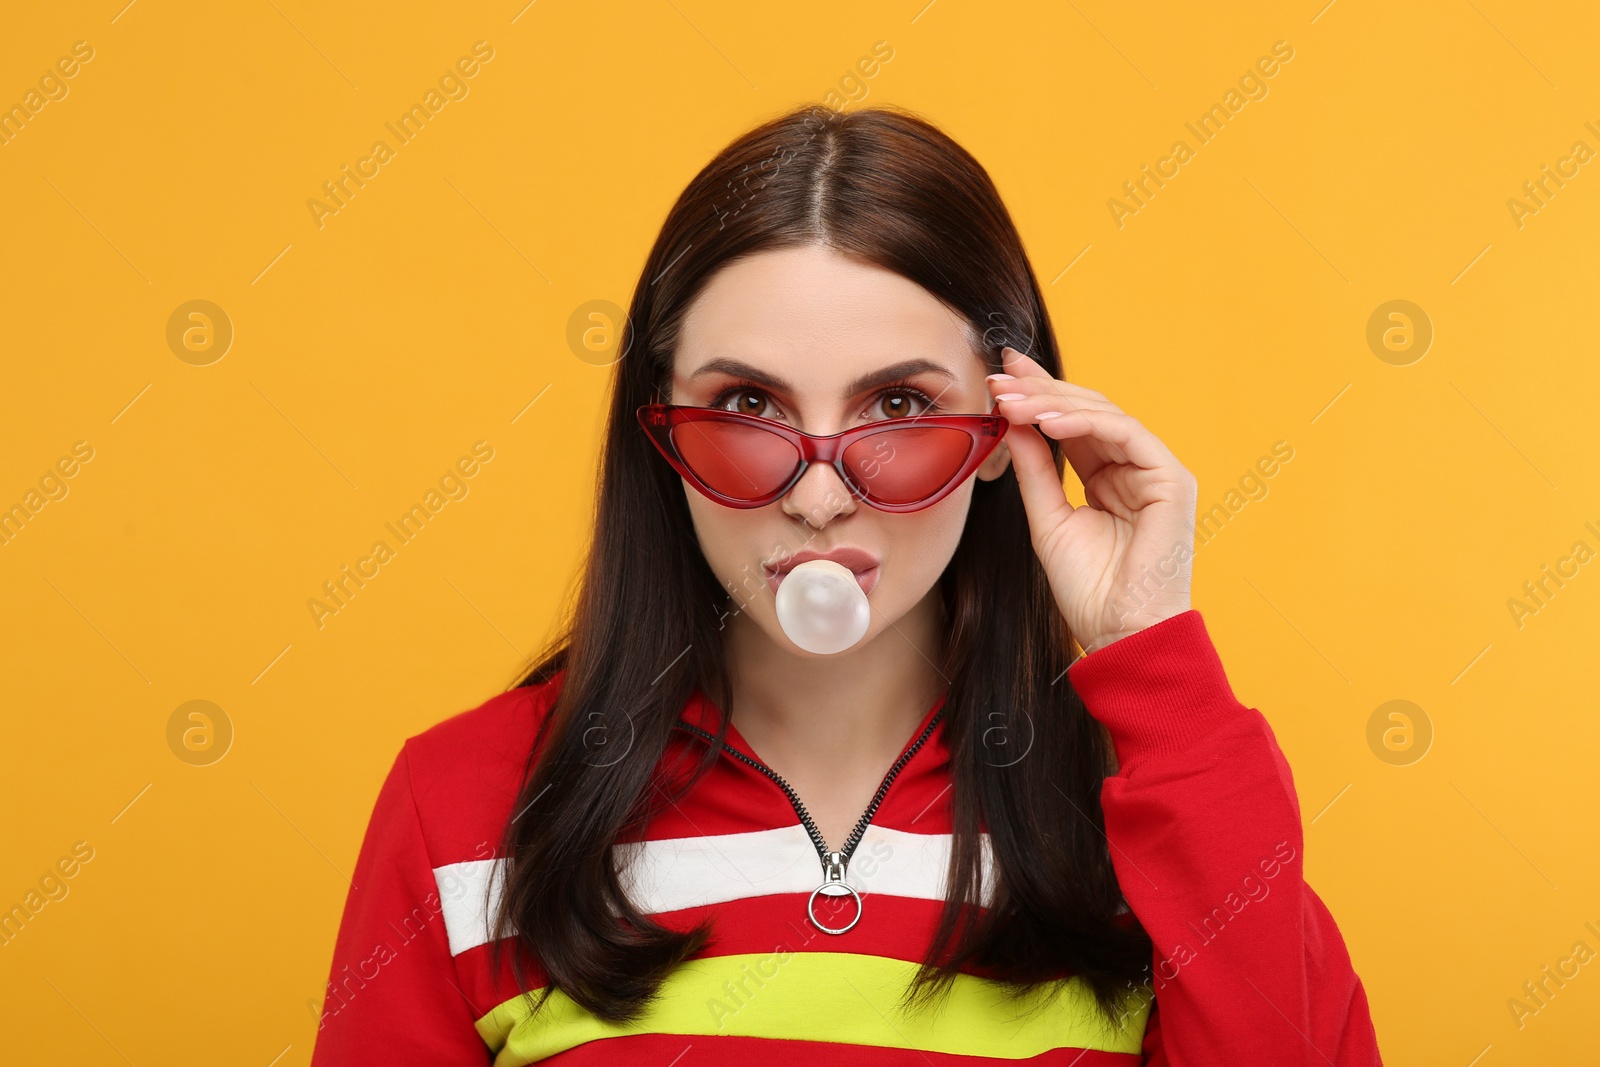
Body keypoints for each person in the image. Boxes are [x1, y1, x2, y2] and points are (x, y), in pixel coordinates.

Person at [309, 103, 1382, 1065]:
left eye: (901, 409)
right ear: (658, 432)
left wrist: (1154, 657)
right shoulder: (463, 807)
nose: (818, 498)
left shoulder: (1166, 815)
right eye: (746, 406)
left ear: (1009, 428)